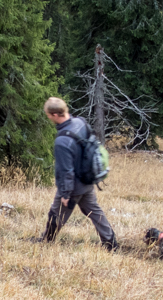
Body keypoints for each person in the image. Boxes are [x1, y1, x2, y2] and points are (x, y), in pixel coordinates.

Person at [39, 97, 118, 250]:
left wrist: (65, 194)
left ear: (55, 114)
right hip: (88, 179)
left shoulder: (62, 141)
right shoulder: (80, 122)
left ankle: (46, 242)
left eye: (48, 114)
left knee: (56, 214)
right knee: (95, 212)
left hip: (74, 186)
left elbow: (66, 171)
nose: (48, 117)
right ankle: (111, 243)